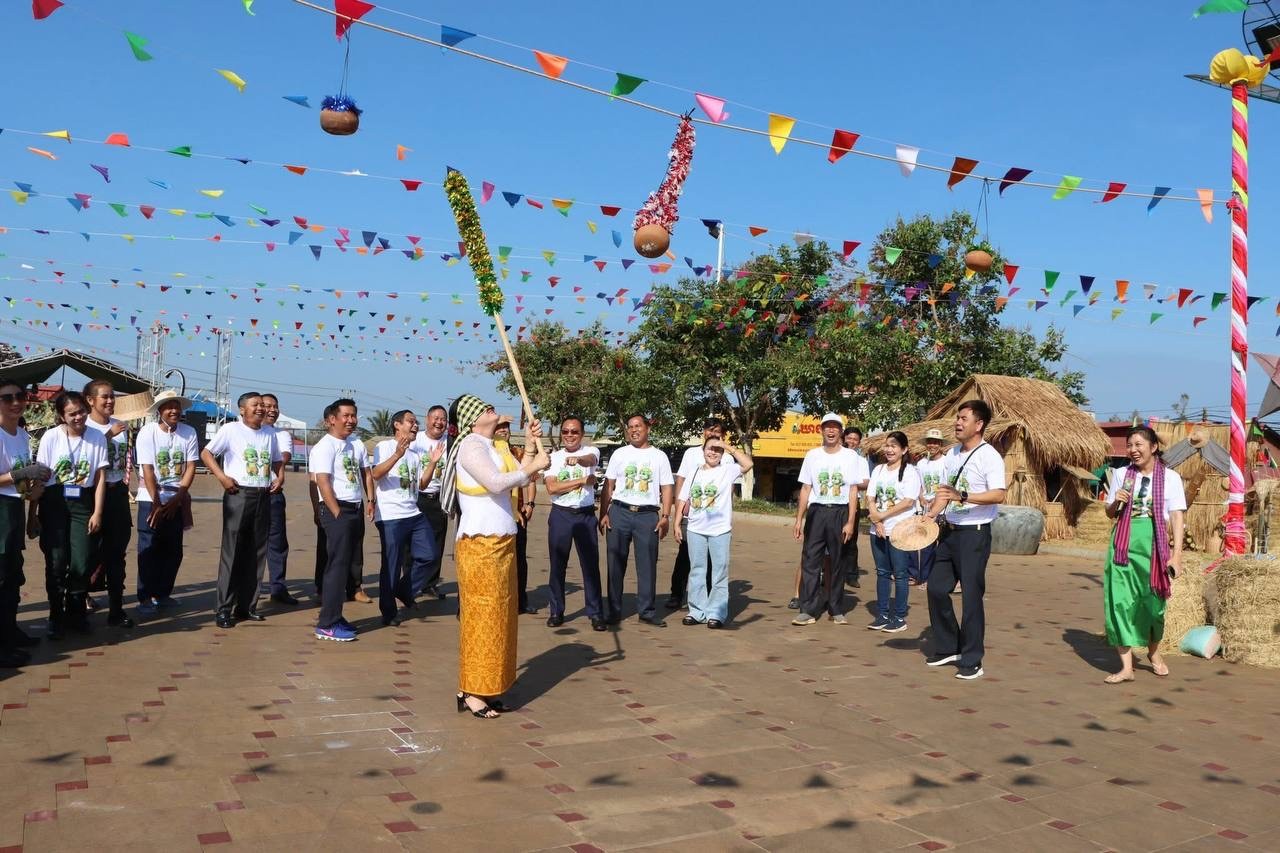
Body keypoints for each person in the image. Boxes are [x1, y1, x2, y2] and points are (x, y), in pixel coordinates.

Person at [439, 394, 549, 718]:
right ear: (472, 418)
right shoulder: (471, 445)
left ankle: (488, 688)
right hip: (480, 544)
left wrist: (530, 447)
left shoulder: (496, 445)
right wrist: (535, 465)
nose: (491, 408)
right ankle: (470, 690)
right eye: (483, 407)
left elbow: (522, 474)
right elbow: (496, 483)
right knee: (482, 619)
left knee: (501, 620)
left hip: (502, 542)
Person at [923, 400, 1007, 680]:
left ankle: (972, 659)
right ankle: (949, 647)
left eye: (963, 418)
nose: (957, 423)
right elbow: (944, 493)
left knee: (971, 596)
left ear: (979, 424)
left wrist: (964, 496)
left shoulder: (989, 456)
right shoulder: (952, 454)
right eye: (957, 418)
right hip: (949, 532)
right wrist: (930, 516)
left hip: (975, 533)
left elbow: (999, 494)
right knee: (936, 588)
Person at [1102, 426, 1186, 683]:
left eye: (1138, 444)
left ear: (1153, 447)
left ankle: (1153, 652)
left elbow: (1176, 516)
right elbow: (1110, 513)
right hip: (1123, 545)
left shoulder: (1170, 478)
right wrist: (1115, 501)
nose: (1133, 450)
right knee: (1120, 603)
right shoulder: (1121, 474)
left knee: (1154, 606)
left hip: (1154, 546)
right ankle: (1127, 668)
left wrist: (1177, 555)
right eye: (1129, 445)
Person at [29, 391, 109, 639]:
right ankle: (56, 615)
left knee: (81, 562)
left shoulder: (97, 437)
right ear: (61, 416)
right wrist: (33, 514)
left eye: (82, 411)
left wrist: (97, 512)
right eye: (72, 413)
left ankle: (77, 614)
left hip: (83, 504)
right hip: (54, 502)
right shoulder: (51, 437)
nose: (78, 417)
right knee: (56, 561)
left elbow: (100, 478)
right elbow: (40, 477)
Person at [200, 391, 284, 629]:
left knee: (257, 552)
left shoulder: (269, 433)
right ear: (242, 409)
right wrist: (222, 477)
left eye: (262, 405)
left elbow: (277, 459)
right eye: (255, 405)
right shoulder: (231, 430)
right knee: (233, 551)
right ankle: (224, 608)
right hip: (238, 493)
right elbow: (206, 453)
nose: (261, 408)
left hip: (263, 495)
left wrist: (280, 476)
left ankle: (246, 606)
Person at [791, 413, 866, 626]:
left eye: (835, 427)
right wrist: (799, 519)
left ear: (841, 431)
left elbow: (853, 490)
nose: (831, 430)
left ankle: (836, 609)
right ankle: (808, 610)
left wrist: (850, 521)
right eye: (827, 427)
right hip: (817, 512)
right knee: (811, 561)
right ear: (821, 430)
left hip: (840, 512)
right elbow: (806, 488)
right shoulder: (812, 455)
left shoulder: (850, 457)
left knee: (837, 562)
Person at [600, 414, 674, 627]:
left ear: (647, 428)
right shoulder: (619, 454)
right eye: (630, 427)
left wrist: (666, 516)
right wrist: (603, 513)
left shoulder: (659, 456)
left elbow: (667, 487)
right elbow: (608, 485)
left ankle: (647, 611)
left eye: (638, 426)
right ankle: (614, 611)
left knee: (647, 564)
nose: (634, 430)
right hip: (619, 512)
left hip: (647, 516)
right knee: (615, 564)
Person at [370, 409, 441, 627]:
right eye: (411, 421)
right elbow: (375, 474)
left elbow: (421, 485)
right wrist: (396, 455)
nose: (415, 425)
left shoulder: (415, 454)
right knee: (391, 566)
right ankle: (388, 612)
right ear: (397, 425)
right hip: (391, 516)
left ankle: (404, 590)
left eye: (416, 422)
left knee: (430, 556)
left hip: (413, 513)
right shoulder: (384, 447)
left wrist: (432, 463)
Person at [309, 398, 371, 641]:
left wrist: (370, 501)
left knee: (345, 566)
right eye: (346, 416)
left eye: (354, 415)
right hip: (338, 510)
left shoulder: (355, 443)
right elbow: (322, 481)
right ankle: (327, 623)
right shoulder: (324, 447)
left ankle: (336, 616)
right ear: (332, 420)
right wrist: (336, 512)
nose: (351, 420)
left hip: (354, 509)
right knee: (336, 567)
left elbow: (365, 474)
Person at [674, 437, 753, 628]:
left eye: (718, 450)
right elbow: (683, 499)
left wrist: (727, 446)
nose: (713, 452)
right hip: (695, 529)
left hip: (720, 531)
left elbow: (748, 464)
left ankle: (716, 613)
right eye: (710, 448)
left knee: (719, 571)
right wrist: (676, 523)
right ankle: (696, 611)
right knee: (697, 571)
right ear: (703, 450)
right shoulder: (694, 472)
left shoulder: (727, 470)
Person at [135, 389, 198, 613]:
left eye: (176, 406)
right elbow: (147, 469)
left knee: (173, 550)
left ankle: (162, 594)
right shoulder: (147, 432)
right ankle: (144, 597)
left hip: (176, 498)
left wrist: (178, 498)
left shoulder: (189, 432)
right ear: (159, 410)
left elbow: (191, 466)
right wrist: (156, 502)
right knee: (149, 548)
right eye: (169, 407)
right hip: (150, 499)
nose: (174, 411)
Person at [0, 380, 49, 665]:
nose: (16, 402)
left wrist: (32, 492)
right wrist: (22, 474)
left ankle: (10, 632)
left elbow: (21, 481)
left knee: (13, 576)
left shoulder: (21, 435)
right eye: (7, 398)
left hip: (15, 508)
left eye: (20, 396)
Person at [82, 380, 135, 628]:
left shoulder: (120, 425)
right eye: (104, 397)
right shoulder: (84, 425)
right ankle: (79, 602)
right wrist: (108, 435)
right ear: (90, 400)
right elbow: (83, 455)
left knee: (117, 554)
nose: (110, 401)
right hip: (91, 494)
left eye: (112, 396)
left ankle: (116, 609)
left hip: (117, 493)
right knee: (86, 552)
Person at [543, 416, 604, 630]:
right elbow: (552, 488)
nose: (570, 435)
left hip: (585, 515)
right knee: (557, 564)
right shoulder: (553, 458)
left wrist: (578, 461)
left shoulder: (591, 451)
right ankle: (556, 611)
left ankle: (595, 612)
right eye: (566, 431)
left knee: (590, 565)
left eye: (574, 432)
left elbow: (590, 461)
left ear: (582, 434)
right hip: (561, 514)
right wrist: (581, 481)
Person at [866, 431, 922, 633]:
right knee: (882, 572)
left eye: (894, 446)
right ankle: (882, 615)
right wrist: (876, 520)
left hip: (900, 530)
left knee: (900, 574)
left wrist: (881, 516)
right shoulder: (878, 469)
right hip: (878, 530)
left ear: (904, 450)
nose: (889, 449)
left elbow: (908, 501)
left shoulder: (911, 472)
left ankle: (899, 617)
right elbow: (870, 497)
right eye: (887, 445)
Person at [667, 418, 725, 609]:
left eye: (717, 431)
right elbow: (681, 480)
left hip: (715, 516)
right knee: (685, 554)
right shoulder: (691, 453)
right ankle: (677, 594)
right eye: (709, 430)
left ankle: (707, 596)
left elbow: (730, 488)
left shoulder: (726, 456)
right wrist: (678, 508)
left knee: (711, 558)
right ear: (703, 432)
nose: (712, 433)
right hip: (691, 513)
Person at [495, 416, 538, 614]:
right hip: (497, 514)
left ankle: (521, 600)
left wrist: (530, 503)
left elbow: (530, 478)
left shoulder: (518, 453)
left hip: (518, 514)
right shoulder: (488, 453)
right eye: (499, 427)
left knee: (520, 558)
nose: (504, 430)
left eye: (506, 427)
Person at [408, 404, 449, 599]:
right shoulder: (416, 441)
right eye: (436, 418)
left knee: (437, 543)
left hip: (439, 498)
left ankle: (430, 584)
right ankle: (410, 584)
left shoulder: (450, 442)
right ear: (427, 419)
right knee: (412, 543)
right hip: (417, 497)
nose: (439, 422)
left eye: (443, 419)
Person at [262, 393, 297, 607]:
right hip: (246, 494)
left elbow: (284, 456)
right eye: (268, 406)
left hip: (273, 494)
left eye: (275, 406)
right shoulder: (238, 431)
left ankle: (278, 588)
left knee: (277, 543)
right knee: (247, 544)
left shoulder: (281, 434)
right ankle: (246, 590)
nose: (272, 410)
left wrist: (276, 463)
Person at [909, 428, 948, 586]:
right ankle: (914, 575)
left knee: (933, 544)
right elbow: (918, 484)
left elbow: (946, 486)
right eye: (930, 442)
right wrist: (921, 497)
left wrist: (936, 501)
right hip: (923, 507)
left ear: (941, 444)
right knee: (919, 541)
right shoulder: (921, 463)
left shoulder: (946, 462)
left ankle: (927, 577)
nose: (932, 445)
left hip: (940, 508)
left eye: (935, 442)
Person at [840, 426, 870, 588]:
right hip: (835, 502)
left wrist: (850, 483)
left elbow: (866, 482)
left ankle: (851, 575)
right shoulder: (835, 456)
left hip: (852, 503)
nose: (851, 441)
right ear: (843, 438)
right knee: (832, 538)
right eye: (849, 438)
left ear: (859, 443)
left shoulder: (861, 461)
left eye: (855, 439)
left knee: (851, 539)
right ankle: (827, 572)